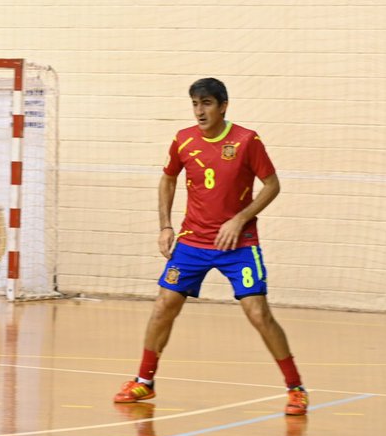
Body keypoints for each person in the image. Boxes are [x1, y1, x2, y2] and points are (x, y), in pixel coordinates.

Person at [113, 78, 308, 416]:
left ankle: (296, 389)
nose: (199, 111)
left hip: (239, 243)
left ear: (223, 106)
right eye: (195, 104)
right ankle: (144, 381)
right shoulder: (183, 139)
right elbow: (168, 179)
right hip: (193, 241)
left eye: (206, 103)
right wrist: (165, 226)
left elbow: (272, 185)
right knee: (163, 306)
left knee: (258, 313)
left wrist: (240, 219)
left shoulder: (247, 140)